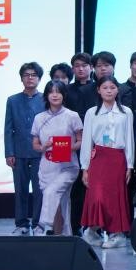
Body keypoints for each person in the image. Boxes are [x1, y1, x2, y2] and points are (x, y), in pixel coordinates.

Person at [79, 78, 134, 249]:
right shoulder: (91, 113)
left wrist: (130, 164)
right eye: (105, 87)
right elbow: (86, 140)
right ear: (98, 90)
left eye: (112, 87)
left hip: (117, 159)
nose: (109, 91)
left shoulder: (126, 112)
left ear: (118, 90)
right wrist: (85, 167)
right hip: (98, 159)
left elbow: (129, 139)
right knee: (97, 197)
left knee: (114, 198)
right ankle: (91, 232)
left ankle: (117, 234)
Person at [30, 81, 82, 236]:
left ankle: (42, 224)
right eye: (51, 92)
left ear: (64, 95)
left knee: (51, 192)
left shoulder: (72, 116)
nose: (55, 95)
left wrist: (67, 148)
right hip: (47, 166)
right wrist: (44, 147)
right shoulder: (39, 118)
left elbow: (81, 141)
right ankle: (63, 237)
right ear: (46, 95)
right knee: (60, 204)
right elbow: (35, 145)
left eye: (58, 92)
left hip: (67, 166)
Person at [5, 62, 46, 234]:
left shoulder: (45, 99)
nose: (30, 78)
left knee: (39, 190)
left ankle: (37, 223)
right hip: (19, 152)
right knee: (20, 189)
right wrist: (9, 152)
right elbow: (8, 128)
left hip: (40, 152)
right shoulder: (13, 100)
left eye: (34, 75)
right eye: (26, 75)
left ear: (39, 78)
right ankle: (21, 223)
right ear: (21, 78)